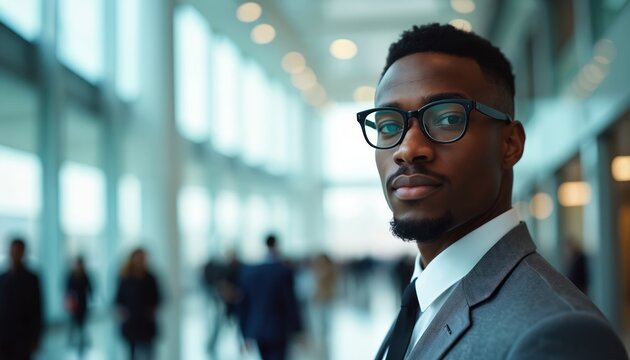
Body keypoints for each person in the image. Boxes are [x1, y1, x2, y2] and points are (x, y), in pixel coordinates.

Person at [355, 23, 628, 359]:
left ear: (510, 144)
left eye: (448, 118)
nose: (408, 149)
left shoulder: (560, 336)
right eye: (389, 125)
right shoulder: (421, 298)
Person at [237, 234, 302, 360]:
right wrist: (299, 329)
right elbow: (290, 303)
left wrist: (245, 334)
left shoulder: (249, 272)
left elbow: (243, 305)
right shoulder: (283, 271)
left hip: (258, 327)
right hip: (279, 329)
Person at [0, 237, 44, 360]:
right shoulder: (2, 278)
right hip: (4, 335)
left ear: (23, 253)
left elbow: (38, 309)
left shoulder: (32, 278)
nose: (15, 254)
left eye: (18, 251)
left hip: (24, 336)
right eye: (13, 251)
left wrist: (36, 338)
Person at [115, 248, 161, 360]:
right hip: (131, 320)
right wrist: (121, 311)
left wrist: (153, 310)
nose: (140, 261)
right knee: (131, 351)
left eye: (143, 258)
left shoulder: (150, 278)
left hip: (146, 320)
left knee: (149, 351)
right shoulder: (125, 277)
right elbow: (118, 298)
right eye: (138, 258)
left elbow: (158, 297)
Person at [65, 256, 93, 355]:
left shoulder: (85, 276)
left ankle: (82, 340)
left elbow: (90, 289)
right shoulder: (71, 276)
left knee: (82, 324)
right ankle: (71, 340)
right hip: (74, 305)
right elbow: (67, 290)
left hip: (83, 304)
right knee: (73, 323)